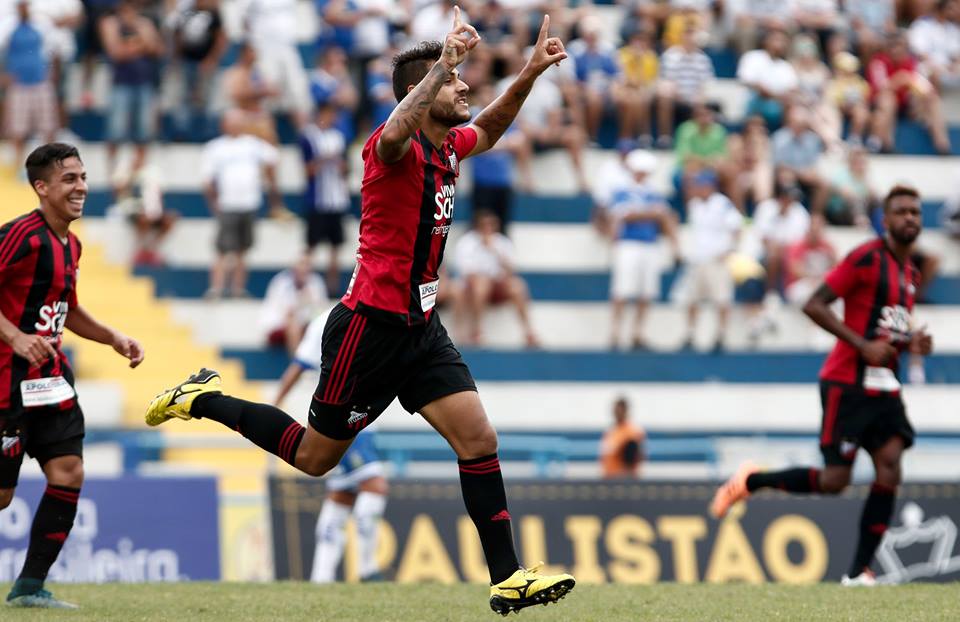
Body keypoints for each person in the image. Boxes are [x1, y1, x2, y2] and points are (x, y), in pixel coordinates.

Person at [145, 11, 576, 614]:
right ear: (419, 94)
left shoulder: (447, 145)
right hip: (368, 328)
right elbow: (399, 127)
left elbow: (493, 128)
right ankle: (201, 398)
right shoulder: (388, 147)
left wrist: (530, 72)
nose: (465, 89)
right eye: (454, 83)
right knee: (314, 459)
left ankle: (507, 576)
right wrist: (444, 63)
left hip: (421, 330)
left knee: (479, 439)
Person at [710, 185, 933, 586]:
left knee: (890, 465)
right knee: (835, 482)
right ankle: (751, 480)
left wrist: (913, 342)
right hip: (845, 384)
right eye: (901, 211)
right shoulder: (866, 257)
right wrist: (862, 345)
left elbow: (889, 330)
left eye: (915, 212)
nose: (910, 218)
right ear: (886, 220)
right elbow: (813, 303)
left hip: (884, 388)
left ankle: (859, 573)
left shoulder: (910, 273)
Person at [0, 143, 144, 608]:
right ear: (41, 188)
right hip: (6, 384)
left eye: (82, 177)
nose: (81, 186)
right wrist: (16, 338)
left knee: (68, 471)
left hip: (51, 381)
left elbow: (67, 307)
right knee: (2, 498)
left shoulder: (72, 243)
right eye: (69, 179)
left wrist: (113, 338)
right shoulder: (21, 235)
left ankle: (28, 588)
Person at [273, 310, 388, 584]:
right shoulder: (329, 319)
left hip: (361, 418)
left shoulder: (378, 314)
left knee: (341, 495)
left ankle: (321, 577)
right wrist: (274, 405)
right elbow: (299, 365)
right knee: (374, 484)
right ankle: (367, 569)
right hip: (341, 416)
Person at [600, 149, 678, 350]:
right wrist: (652, 214)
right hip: (628, 244)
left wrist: (646, 215)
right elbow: (623, 216)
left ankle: (638, 333)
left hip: (649, 244)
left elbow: (664, 217)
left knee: (647, 292)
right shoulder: (622, 190)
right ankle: (615, 332)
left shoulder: (652, 192)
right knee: (622, 291)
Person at [201, 109, 282, 299]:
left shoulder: (253, 145)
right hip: (228, 204)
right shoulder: (216, 148)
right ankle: (217, 288)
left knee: (243, 250)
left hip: (249, 203)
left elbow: (274, 158)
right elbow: (207, 180)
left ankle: (237, 289)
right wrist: (214, 202)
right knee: (222, 249)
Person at [454, 210, 539, 348]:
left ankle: (528, 332)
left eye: (491, 225)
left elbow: (511, 270)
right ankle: (476, 331)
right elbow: (467, 273)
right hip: (475, 286)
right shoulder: (467, 243)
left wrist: (494, 250)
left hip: (498, 285)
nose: (488, 228)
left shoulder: (501, 242)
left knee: (518, 286)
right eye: (485, 225)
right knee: (481, 285)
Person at [680, 171, 743, 351]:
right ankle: (690, 333)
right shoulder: (694, 205)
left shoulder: (722, 204)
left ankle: (721, 335)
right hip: (698, 258)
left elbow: (736, 227)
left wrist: (729, 250)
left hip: (717, 259)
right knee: (691, 299)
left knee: (722, 298)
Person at [300, 100, 350, 295]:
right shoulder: (309, 137)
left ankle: (333, 288)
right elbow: (308, 170)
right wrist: (324, 159)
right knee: (311, 245)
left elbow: (346, 169)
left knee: (335, 247)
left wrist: (337, 162)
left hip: (336, 199)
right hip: (318, 200)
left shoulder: (339, 137)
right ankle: (304, 284)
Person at [259, 256, 328, 352]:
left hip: (306, 324)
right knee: (294, 327)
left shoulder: (316, 283)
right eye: (301, 265)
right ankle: (298, 363)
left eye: (306, 266)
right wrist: (302, 302)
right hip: (279, 324)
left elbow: (321, 311)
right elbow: (287, 314)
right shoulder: (281, 283)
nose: (303, 270)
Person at [599, 397, 645, 478]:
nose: (616, 413)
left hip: (622, 480)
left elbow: (635, 458)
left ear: (625, 411)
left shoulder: (631, 432)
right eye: (615, 410)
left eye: (619, 410)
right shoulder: (611, 432)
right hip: (609, 478)